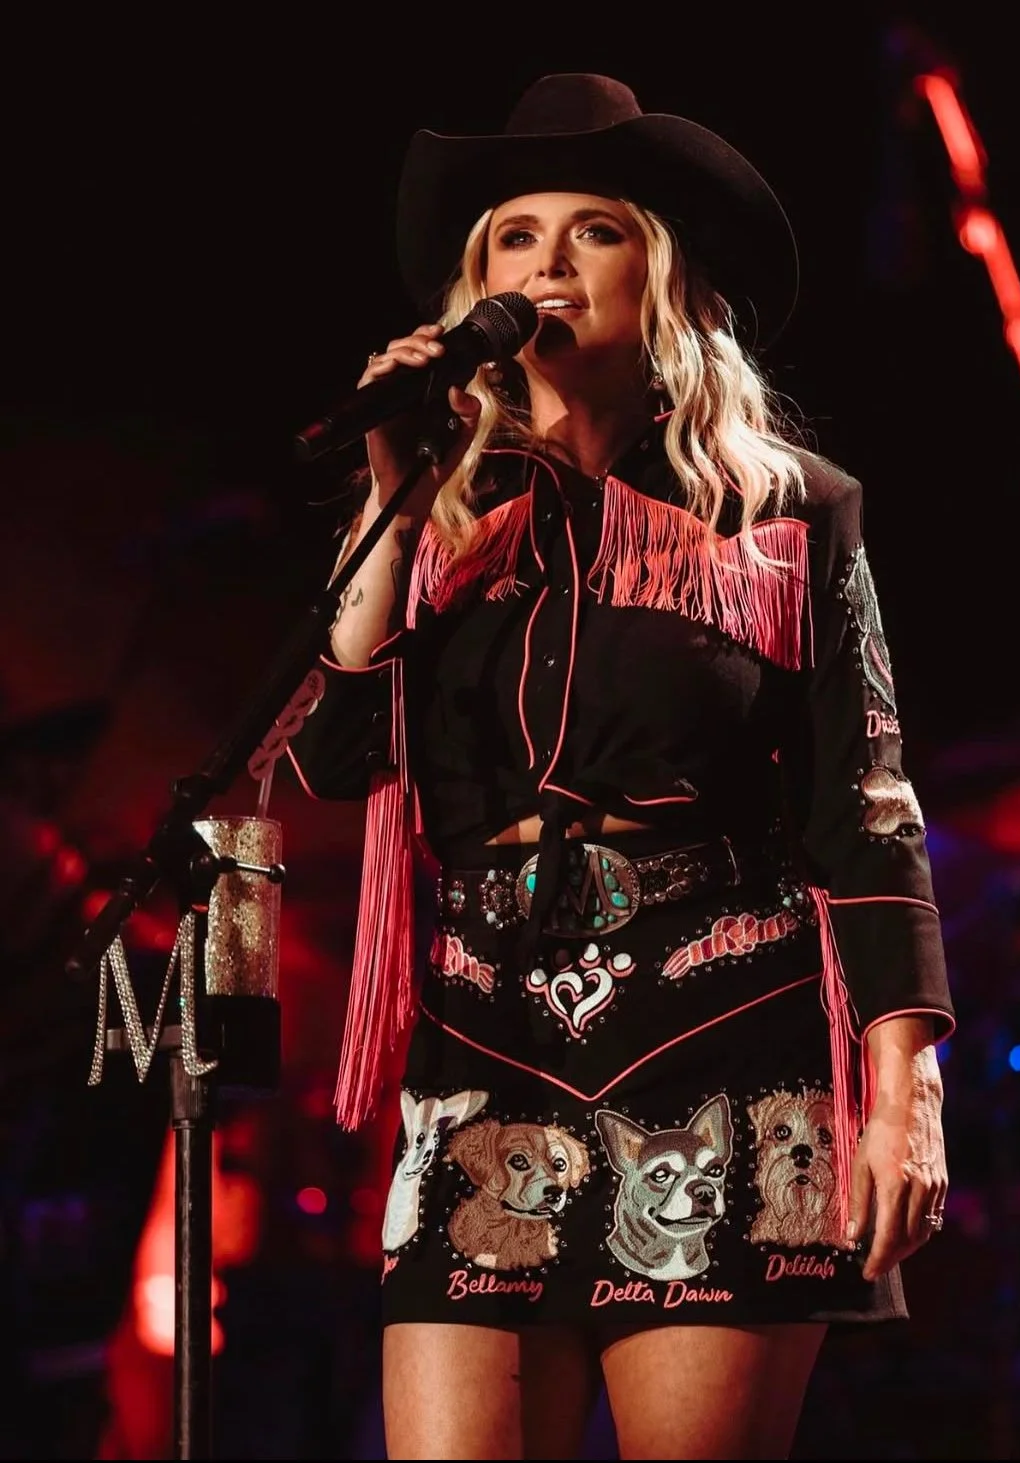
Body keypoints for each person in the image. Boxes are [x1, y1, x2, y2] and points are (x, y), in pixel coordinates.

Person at [285, 72, 954, 1462]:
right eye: (516, 236)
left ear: (663, 273)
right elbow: (343, 751)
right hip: (483, 1049)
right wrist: (389, 485)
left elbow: (865, 809)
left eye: (592, 229)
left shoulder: (784, 512)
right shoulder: (439, 515)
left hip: (721, 1040)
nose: (547, 263)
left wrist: (905, 1096)